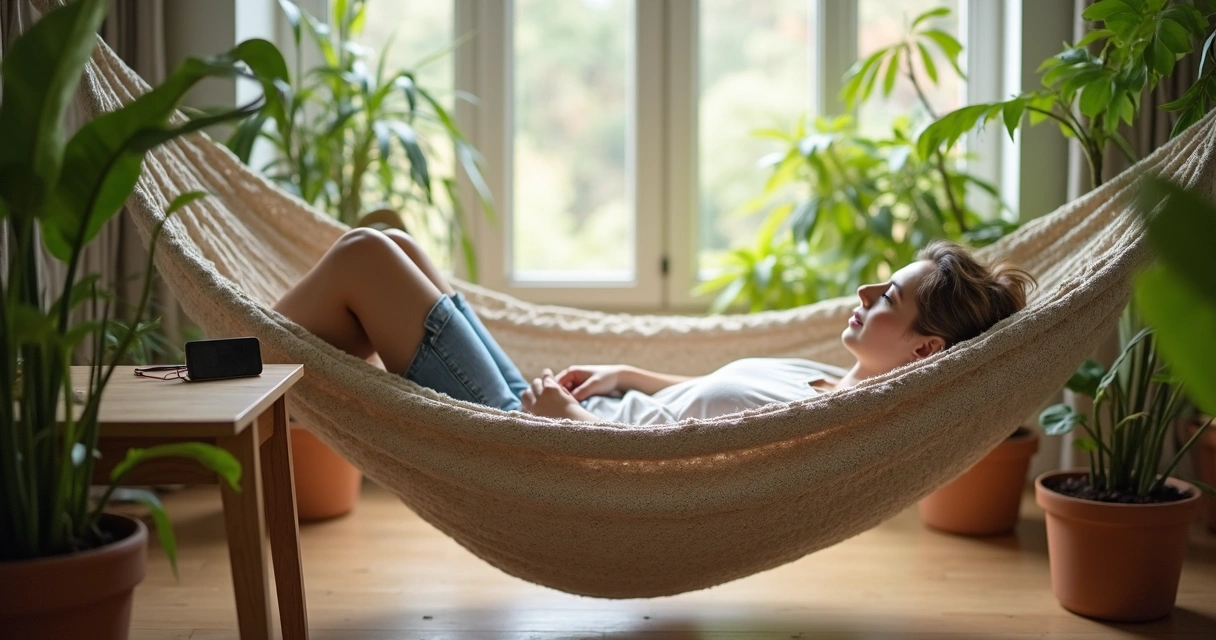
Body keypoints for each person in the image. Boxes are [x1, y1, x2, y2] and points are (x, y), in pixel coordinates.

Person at [274, 228, 1035, 425]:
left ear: (925, 348)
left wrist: (568, 427)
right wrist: (631, 377)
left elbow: (674, 472)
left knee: (369, 258)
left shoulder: (824, 420)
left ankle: (217, 381)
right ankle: (243, 381)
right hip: (566, 416)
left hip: (537, 437)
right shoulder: (820, 383)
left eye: (890, 297)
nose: (867, 287)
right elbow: (708, 403)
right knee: (391, 253)